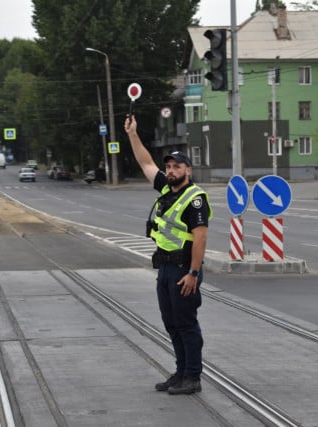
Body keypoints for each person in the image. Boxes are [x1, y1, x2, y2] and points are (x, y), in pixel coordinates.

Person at [124, 114, 212, 395]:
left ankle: (193, 377)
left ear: (188, 169)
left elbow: (200, 238)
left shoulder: (194, 198)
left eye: (177, 166)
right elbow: (145, 162)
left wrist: (194, 274)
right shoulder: (165, 188)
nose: (171, 170)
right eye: (169, 167)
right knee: (171, 323)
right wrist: (132, 134)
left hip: (184, 269)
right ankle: (180, 372)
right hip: (165, 268)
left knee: (186, 324)